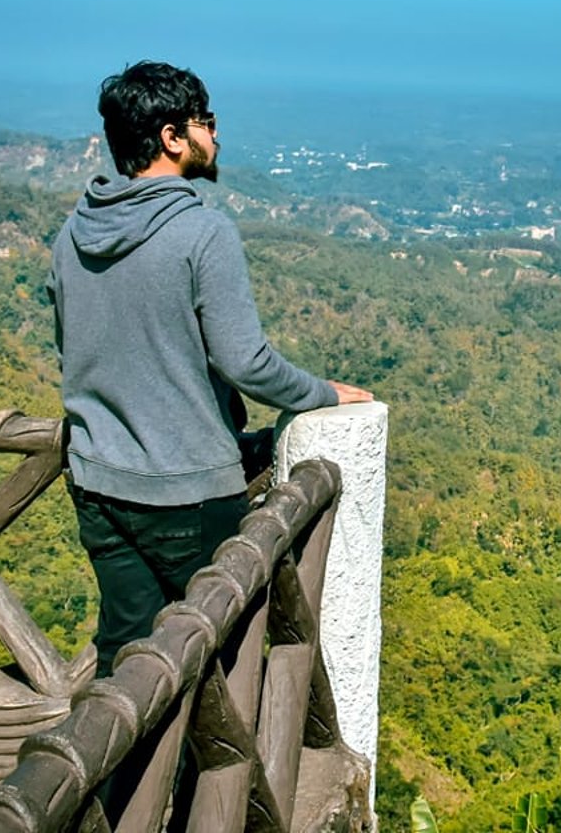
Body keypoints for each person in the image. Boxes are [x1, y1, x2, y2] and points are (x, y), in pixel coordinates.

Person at [48, 60, 373, 675]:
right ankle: (210, 777)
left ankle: (124, 771)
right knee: (221, 658)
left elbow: (74, 352)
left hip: (97, 484)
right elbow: (245, 361)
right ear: (173, 137)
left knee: (126, 655)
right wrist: (326, 393)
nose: (216, 136)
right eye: (208, 122)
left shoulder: (74, 233)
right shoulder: (202, 232)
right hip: (188, 493)